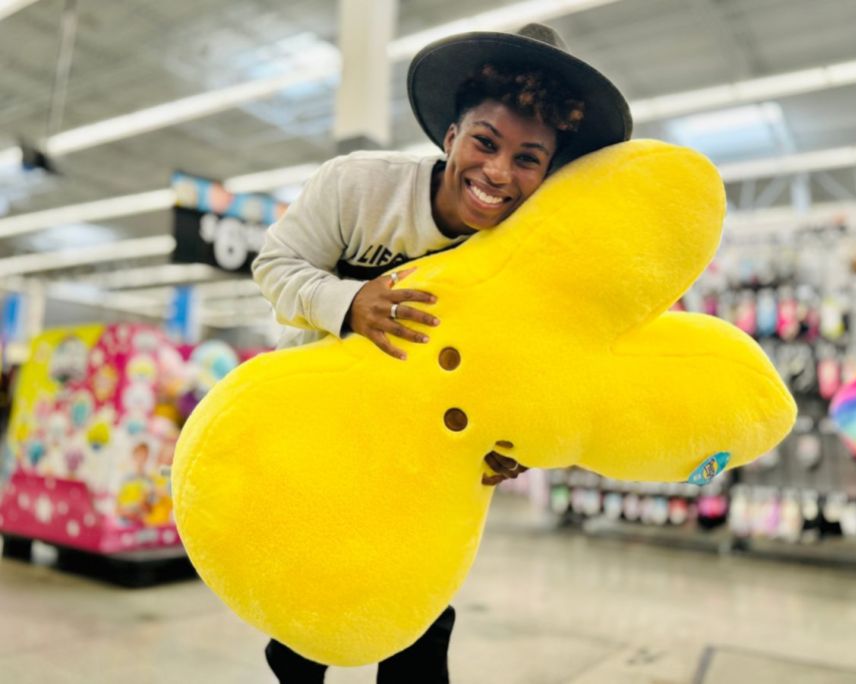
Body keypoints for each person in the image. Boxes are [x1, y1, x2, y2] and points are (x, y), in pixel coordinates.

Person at [251, 22, 631, 684]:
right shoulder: (357, 187)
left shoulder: (525, 258)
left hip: (426, 455)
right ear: (451, 136)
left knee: (419, 612)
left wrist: (516, 438)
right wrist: (349, 304)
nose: (498, 173)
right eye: (485, 142)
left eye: (527, 158)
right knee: (310, 609)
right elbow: (275, 263)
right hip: (324, 426)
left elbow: (526, 364)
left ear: (546, 172)